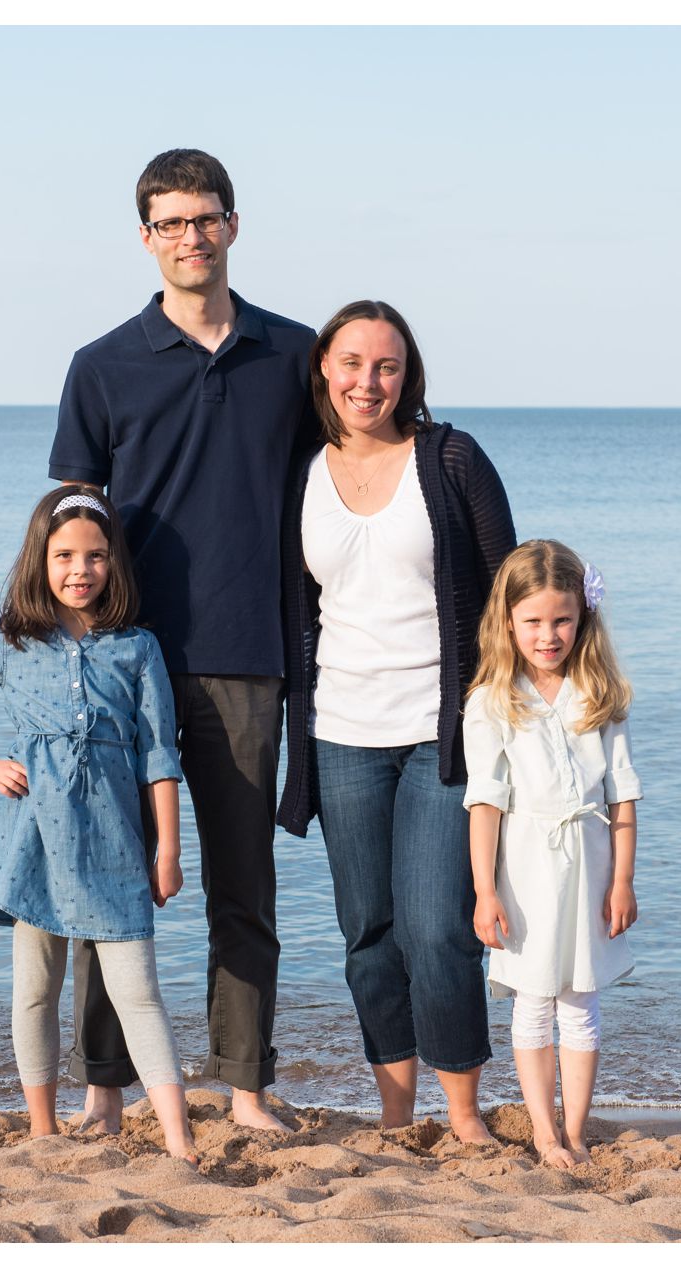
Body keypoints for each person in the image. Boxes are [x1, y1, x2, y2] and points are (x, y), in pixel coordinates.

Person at [47, 149, 316, 1134]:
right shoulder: (102, 364)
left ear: (232, 226)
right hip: (127, 664)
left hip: (251, 655)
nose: (189, 237)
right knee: (112, 886)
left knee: (244, 883)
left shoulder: (292, 355)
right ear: (145, 237)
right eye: (169, 222)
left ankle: (245, 1084)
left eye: (204, 219)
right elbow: (69, 517)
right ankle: (104, 1087)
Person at [276, 299, 517, 1143]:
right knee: (368, 933)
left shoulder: (451, 459)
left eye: (386, 366)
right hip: (340, 732)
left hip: (440, 733)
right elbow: (294, 604)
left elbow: (509, 588)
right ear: (324, 373)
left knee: (436, 928)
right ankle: (393, 1107)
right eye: (351, 364)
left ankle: (461, 1111)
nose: (367, 381)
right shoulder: (299, 470)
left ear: (407, 374)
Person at [0, 486, 197, 1163]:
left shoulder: (137, 649)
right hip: (35, 839)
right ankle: (42, 1128)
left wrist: (169, 849)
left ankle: (180, 1141)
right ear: (39, 559)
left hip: (116, 842)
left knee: (139, 993)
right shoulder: (12, 639)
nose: (80, 570)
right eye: (64, 555)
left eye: (95, 557)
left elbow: (161, 757)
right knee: (36, 988)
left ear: (114, 564)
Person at [464, 539, 642, 1168]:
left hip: (590, 864)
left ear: (582, 618)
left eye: (561, 619)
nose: (548, 635)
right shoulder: (492, 700)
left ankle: (576, 1129)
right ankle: (543, 1130)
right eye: (533, 622)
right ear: (508, 622)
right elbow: (484, 802)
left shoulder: (602, 694)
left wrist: (622, 880)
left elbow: (622, 796)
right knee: (534, 999)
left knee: (581, 1001)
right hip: (527, 871)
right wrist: (484, 891)